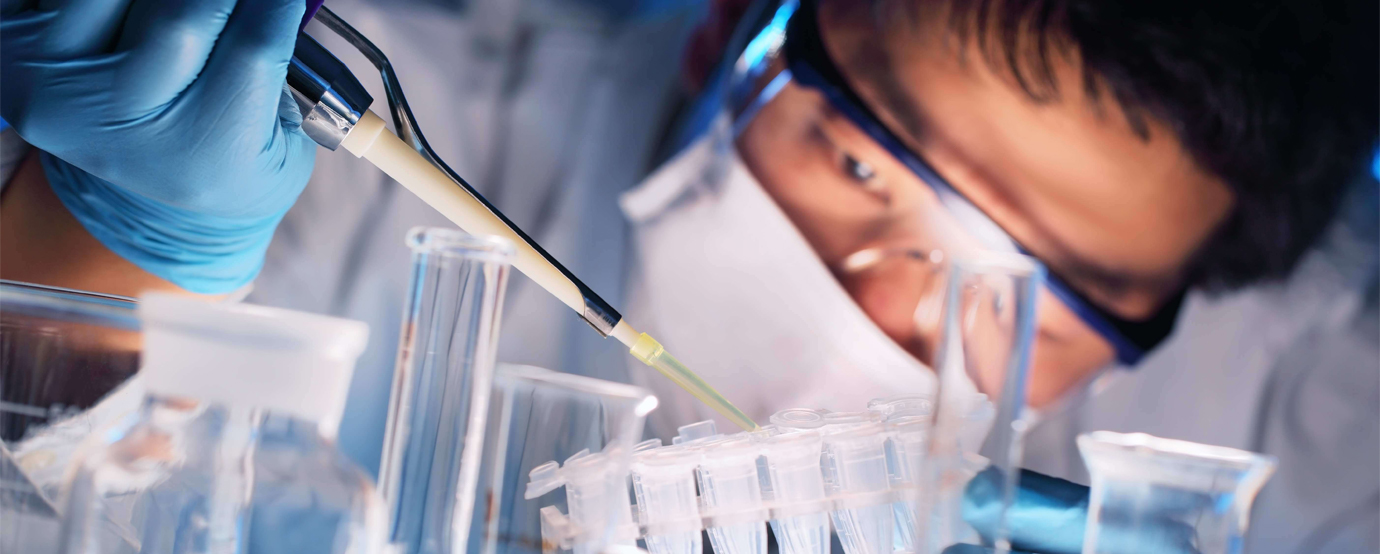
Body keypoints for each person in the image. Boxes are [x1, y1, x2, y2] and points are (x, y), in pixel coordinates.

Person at [1, 0, 1375, 551]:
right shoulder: (415, 91)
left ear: (1181, 303)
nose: (885, 310)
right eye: (860, 166)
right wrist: (120, 236)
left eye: (1038, 290)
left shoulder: (1324, 406)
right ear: (737, 30)